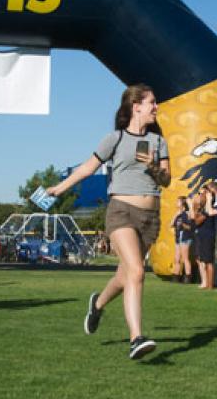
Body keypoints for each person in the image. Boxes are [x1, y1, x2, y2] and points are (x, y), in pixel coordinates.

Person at [48, 84, 171, 360]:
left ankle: (98, 304)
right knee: (137, 272)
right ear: (136, 106)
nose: (156, 107)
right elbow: (88, 168)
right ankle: (136, 338)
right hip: (121, 212)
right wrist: (60, 188)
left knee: (125, 276)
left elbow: (166, 180)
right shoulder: (114, 139)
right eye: (152, 102)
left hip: (150, 218)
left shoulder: (159, 142)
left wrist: (153, 165)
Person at [171, 197, 194, 284]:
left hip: (185, 237)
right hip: (178, 238)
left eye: (178, 201)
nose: (176, 203)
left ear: (183, 204)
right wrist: (175, 215)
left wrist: (183, 225)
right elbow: (171, 224)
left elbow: (190, 227)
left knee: (185, 258)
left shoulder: (186, 213)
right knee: (176, 259)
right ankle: (176, 276)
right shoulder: (178, 214)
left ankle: (188, 277)